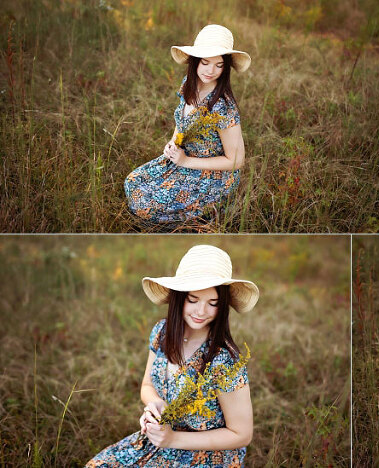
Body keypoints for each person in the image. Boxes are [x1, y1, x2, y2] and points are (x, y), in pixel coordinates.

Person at [86, 245, 260, 467]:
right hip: (160, 439)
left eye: (213, 303)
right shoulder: (162, 332)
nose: (201, 312)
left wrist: (173, 439)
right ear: (179, 297)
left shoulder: (224, 361)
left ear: (222, 306)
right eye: (193, 300)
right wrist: (157, 408)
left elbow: (242, 434)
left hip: (206, 454)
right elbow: (147, 385)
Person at [125, 25, 250, 224]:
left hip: (212, 174)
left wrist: (185, 162)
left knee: (147, 205)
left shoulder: (223, 107)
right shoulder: (188, 84)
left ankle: (206, 217)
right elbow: (182, 123)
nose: (211, 71)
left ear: (226, 67)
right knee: (133, 182)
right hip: (184, 156)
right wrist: (173, 143)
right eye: (205, 62)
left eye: (219, 65)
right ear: (195, 61)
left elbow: (236, 161)